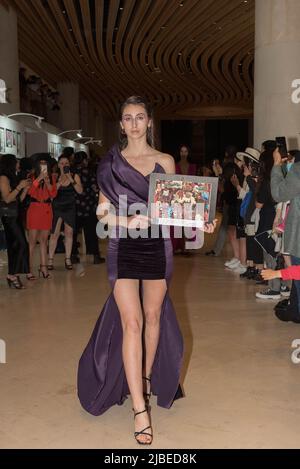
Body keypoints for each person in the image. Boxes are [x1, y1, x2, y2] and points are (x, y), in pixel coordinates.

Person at [77, 96, 216, 445]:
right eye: (128, 118)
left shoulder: (165, 161)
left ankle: (147, 377)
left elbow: (177, 206)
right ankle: (140, 408)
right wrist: (128, 220)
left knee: (153, 318)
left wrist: (202, 222)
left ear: (149, 122)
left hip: (157, 246)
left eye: (140, 117)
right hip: (123, 246)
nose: (135, 123)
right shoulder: (109, 164)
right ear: (121, 124)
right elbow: (101, 213)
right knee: (132, 322)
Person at [0, 154, 30, 288]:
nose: (18, 164)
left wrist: (24, 189)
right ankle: (12, 275)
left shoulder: (13, 177)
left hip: (16, 214)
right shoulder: (3, 178)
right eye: (16, 162)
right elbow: (6, 199)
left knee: (16, 246)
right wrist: (19, 187)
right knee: (22, 244)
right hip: (9, 217)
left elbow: (18, 200)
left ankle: (12, 274)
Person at [48, 155, 82, 270]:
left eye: (66, 163)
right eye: (61, 163)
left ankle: (67, 258)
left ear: (69, 164)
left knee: (69, 233)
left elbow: (80, 191)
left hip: (70, 207)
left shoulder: (74, 175)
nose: (64, 165)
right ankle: (50, 259)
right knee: (54, 234)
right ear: (58, 165)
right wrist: (58, 183)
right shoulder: (54, 176)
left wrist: (70, 179)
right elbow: (50, 194)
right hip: (57, 206)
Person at [26, 153, 57, 279]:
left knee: (44, 240)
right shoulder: (31, 177)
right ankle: (28, 269)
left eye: (45, 163)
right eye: (41, 162)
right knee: (32, 241)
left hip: (47, 210)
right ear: (37, 164)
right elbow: (30, 192)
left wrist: (48, 182)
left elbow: (53, 194)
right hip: (34, 209)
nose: (43, 164)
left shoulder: (52, 177)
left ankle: (43, 267)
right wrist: (39, 178)